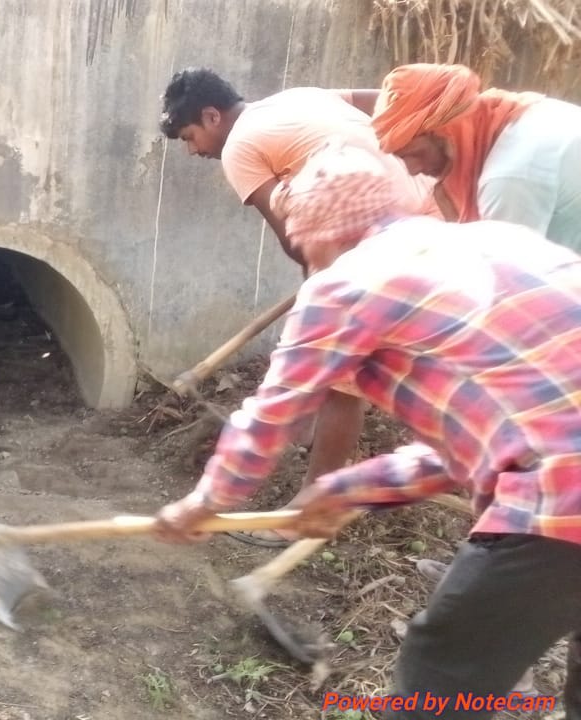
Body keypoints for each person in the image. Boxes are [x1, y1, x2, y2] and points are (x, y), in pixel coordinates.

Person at [150, 140, 581, 719]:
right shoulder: (493, 242)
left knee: (439, 681)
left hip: (560, 499)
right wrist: (344, 490)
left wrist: (203, 504)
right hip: (562, 482)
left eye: (303, 246)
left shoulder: (346, 283)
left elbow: (272, 415)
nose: (307, 261)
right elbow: (479, 447)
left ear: (324, 236)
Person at [158, 67, 440, 548]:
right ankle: (307, 433)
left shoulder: (239, 147)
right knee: (336, 354)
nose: (193, 150)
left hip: (366, 238)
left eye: (189, 137)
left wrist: (322, 286)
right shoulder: (301, 97)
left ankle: (305, 508)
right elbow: (383, 95)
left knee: (342, 377)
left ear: (211, 116)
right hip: (423, 214)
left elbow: (294, 237)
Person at [370, 62, 581, 251]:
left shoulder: (508, 179)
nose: (413, 169)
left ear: (447, 131)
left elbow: (506, 273)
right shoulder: (519, 112)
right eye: (402, 158)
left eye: (417, 154)